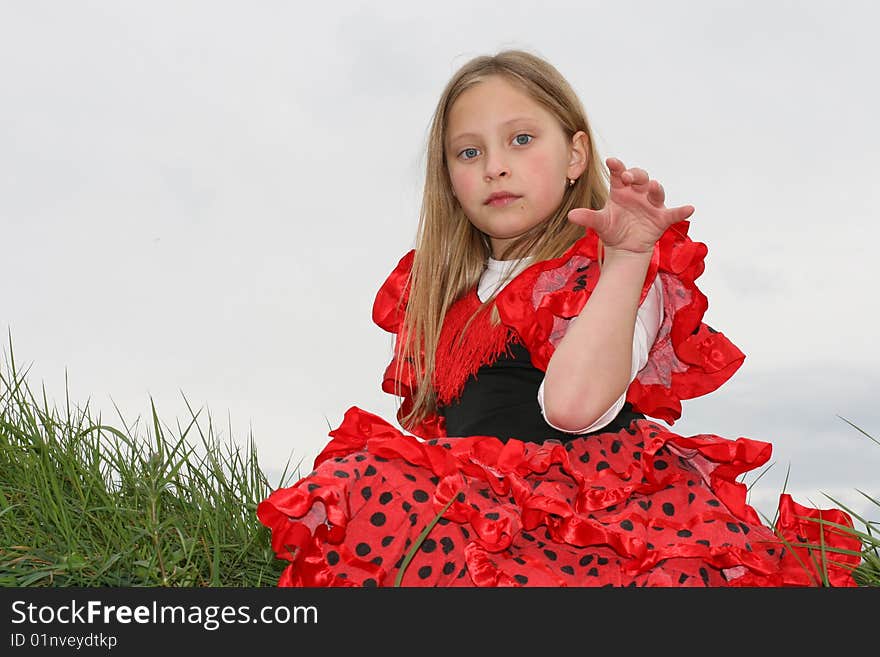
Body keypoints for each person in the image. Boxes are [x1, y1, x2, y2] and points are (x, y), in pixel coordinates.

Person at [257, 49, 861, 587]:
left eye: (521, 140)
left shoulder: (614, 269)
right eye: (470, 152)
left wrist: (625, 260)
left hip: (600, 508)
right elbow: (439, 428)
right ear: (449, 179)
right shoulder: (440, 290)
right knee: (364, 478)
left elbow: (574, 408)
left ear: (575, 154)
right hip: (485, 501)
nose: (495, 166)